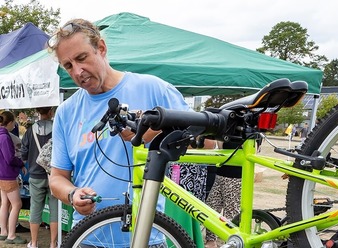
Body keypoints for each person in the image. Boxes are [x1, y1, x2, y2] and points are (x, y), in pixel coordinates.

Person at [47, 18, 198, 247]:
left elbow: (197, 136)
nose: (77, 71)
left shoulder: (153, 88)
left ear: (101, 48)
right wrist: (73, 194)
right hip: (89, 236)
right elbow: (57, 177)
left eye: (81, 58)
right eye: (68, 66)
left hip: (146, 234)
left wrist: (151, 135)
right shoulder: (66, 112)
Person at [20, 107, 58, 248]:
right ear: (50, 112)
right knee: (55, 210)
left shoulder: (30, 131)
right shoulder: (57, 128)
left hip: (35, 175)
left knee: (35, 209)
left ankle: (34, 242)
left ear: (38, 111)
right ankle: (53, 244)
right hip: (54, 175)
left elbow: (23, 153)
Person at [0, 111, 28, 245]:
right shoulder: (5, 137)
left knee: (5, 203)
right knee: (17, 204)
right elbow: (10, 158)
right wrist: (21, 163)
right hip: (8, 175)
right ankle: (11, 234)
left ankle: (3, 232)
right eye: (14, 122)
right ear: (10, 123)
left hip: (2, 174)